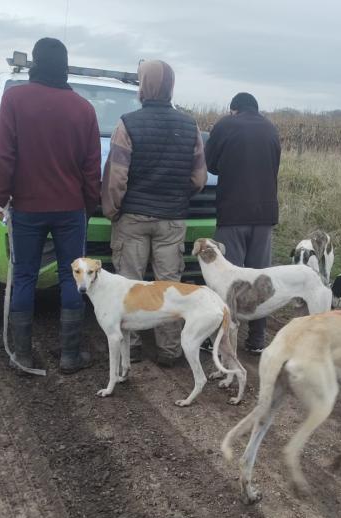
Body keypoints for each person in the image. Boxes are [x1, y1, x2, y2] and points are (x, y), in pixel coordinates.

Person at [0, 37, 102, 374]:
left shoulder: (15, 100)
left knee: (24, 275)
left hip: (26, 207)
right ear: (65, 67)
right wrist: (89, 204)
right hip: (70, 209)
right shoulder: (83, 108)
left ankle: (22, 356)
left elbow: (5, 154)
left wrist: (0, 197)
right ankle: (70, 355)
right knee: (73, 279)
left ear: (35, 63)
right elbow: (91, 165)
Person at [101, 59, 208, 367]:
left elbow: (117, 177)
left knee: (129, 284)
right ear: (171, 86)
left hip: (133, 217)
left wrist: (113, 211)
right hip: (173, 218)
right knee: (169, 286)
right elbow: (199, 179)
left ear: (142, 85)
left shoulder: (127, 124)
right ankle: (170, 350)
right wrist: (177, 197)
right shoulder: (190, 126)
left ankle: (130, 348)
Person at [203, 92, 281, 354]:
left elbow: (210, 164)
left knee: (229, 279)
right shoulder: (271, 129)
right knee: (260, 277)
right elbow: (274, 166)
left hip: (233, 213)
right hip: (265, 216)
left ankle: (224, 338)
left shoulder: (225, 125)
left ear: (233, 109)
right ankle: (257, 339)